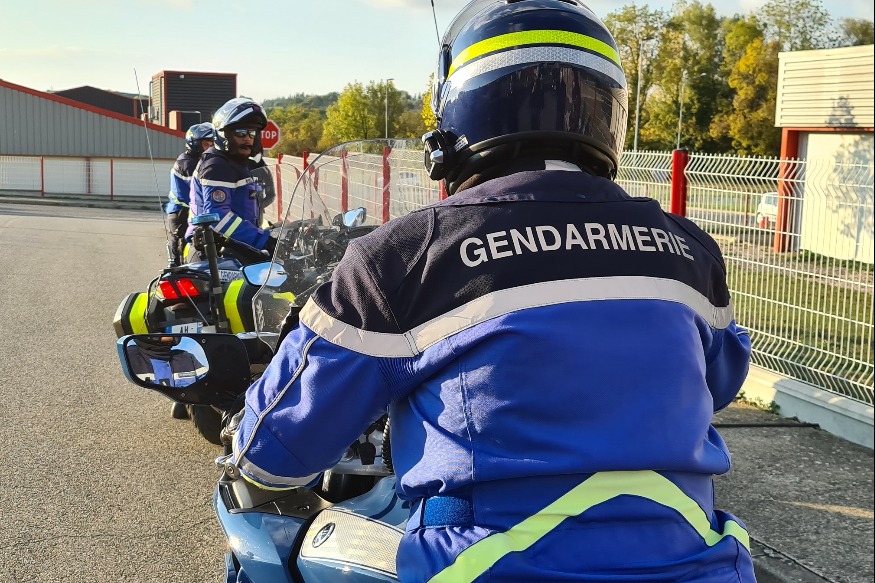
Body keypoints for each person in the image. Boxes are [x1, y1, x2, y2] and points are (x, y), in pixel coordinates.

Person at [228, 1, 755, 581]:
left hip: (486, 566)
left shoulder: (405, 257)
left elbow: (276, 451)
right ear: (608, 111)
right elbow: (721, 382)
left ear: (456, 116)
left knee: (288, 549)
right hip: (700, 566)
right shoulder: (690, 251)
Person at [185, 98, 276, 262]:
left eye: (252, 133)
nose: (248, 138)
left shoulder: (237, 163)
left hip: (236, 245)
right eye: (241, 133)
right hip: (211, 251)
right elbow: (218, 216)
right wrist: (264, 240)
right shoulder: (216, 165)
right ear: (223, 134)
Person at [165, 122, 216, 266]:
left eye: (212, 144)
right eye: (206, 144)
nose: (210, 148)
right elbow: (202, 188)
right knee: (182, 249)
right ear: (194, 144)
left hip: (190, 211)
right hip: (181, 212)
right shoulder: (187, 163)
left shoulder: (199, 161)